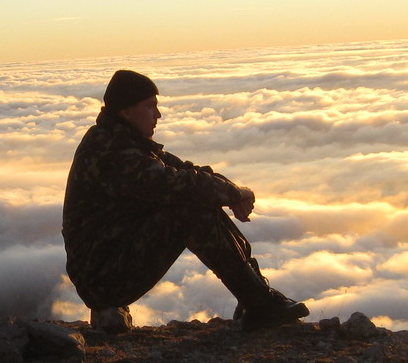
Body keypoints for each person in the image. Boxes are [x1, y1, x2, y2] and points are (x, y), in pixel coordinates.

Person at [62, 69, 309, 332]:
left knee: (196, 196)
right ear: (126, 111)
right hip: (101, 279)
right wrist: (235, 195)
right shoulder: (111, 151)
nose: (158, 115)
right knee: (189, 204)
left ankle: (256, 296)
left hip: (111, 263)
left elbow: (190, 171)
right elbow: (183, 185)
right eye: (150, 107)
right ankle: (258, 302)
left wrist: (234, 191)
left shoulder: (125, 141)